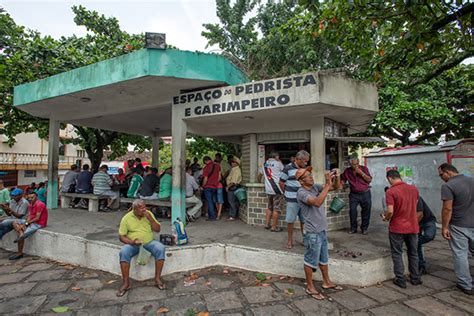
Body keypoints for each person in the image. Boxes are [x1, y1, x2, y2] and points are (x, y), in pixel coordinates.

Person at [296, 166, 342, 300]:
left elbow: (335, 187)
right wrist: (327, 184)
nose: (311, 177)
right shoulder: (301, 193)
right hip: (312, 233)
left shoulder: (315, 187)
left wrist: (336, 177)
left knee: (324, 259)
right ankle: (310, 287)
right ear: (301, 181)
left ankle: (327, 282)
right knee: (310, 260)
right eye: (307, 176)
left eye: (310, 174)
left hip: (321, 229)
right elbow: (317, 202)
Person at [381, 169, 421, 289]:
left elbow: (390, 211)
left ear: (390, 178)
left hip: (397, 227)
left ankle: (400, 279)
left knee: (397, 253)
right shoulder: (414, 189)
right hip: (413, 226)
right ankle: (415, 277)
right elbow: (415, 204)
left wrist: (385, 218)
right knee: (413, 253)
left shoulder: (391, 191)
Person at [117, 199, 166, 297]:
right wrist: (132, 242)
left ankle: (157, 279)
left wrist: (150, 219)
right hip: (133, 244)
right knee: (124, 252)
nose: (144, 210)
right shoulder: (126, 218)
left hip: (149, 242)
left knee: (160, 248)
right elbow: (121, 236)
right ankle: (126, 283)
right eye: (141, 208)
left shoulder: (148, 214)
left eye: (144, 207)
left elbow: (158, 229)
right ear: (134, 209)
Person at [438, 163, 474, 295]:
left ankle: (466, 284)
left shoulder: (448, 186)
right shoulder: (472, 180)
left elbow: (447, 208)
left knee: (460, 254)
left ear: (447, 172)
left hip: (459, 225)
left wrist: (445, 227)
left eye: (441, 175)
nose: (441, 178)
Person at [280, 150, 309, 249]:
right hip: (292, 199)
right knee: (290, 220)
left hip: (303, 200)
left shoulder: (305, 169)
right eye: (305, 161)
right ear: (298, 159)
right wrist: (286, 193)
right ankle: (290, 240)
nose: (306, 163)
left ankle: (305, 239)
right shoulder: (287, 168)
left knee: (304, 221)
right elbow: (281, 182)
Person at [9, 191, 48, 260]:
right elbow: (29, 215)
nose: (30, 199)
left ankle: (19, 253)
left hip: (38, 223)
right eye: (29, 197)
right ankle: (21, 233)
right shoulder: (30, 204)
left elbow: (37, 218)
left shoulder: (40, 204)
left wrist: (26, 224)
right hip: (31, 222)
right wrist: (25, 224)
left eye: (32, 197)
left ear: (36, 197)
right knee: (14, 222)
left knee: (22, 234)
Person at [340, 158, 373, 235]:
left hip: (365, 193)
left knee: (366, 211)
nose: (356, 166)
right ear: (350, 165)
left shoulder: (364, 169)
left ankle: (364, 228)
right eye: (354, 164)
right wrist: (341, 184)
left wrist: (362, 173)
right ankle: (353, 228)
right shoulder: (347, 171)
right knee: (352, 211)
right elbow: (343, 180)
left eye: (357, 163)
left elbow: (369, 180)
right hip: (354, 194)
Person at [0, 189, 29, 260]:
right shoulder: (12, 201)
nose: (13, 197)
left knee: (8, 223)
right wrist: (5, 209)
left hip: (22, 220)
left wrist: (10, 210)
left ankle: (20, 253)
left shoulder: (24, 202)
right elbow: (9, 214)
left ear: (20, 195)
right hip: (12, 219)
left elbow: (19, 216)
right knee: (2, 229)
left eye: (15, 196)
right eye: (13, 196)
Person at [259, 151, 284, 232]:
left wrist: (259, 181)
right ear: (275, 156)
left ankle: (267, 224)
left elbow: (260, 174)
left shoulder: (265, 164)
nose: (279, 158)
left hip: (268, 189)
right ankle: (274, 227)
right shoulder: (278, 163)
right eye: (278, 156)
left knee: (270, 207)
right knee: (276, 208)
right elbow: (284, 173)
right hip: (277, 189)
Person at [416, 196, 437, 275]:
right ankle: (421, 266)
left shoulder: (416, 197)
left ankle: (415, 242)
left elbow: (420, 214)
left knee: (429, 235)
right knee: (416, 245)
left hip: (427, 220)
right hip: (416, 222)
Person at [202, 156, 221, 221]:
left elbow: (205, 179)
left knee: (209, 201)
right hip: (215, 186)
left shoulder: (206, 168)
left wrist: (203, 185)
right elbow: (219, 177)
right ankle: (212, 216)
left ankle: (212, 217)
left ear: (206, 161)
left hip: (208, 186)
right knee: (213, 201)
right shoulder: (218, 165)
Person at [226, 156, 242, 221]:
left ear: (236, 163)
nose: (231, 163)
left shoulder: (237, 170)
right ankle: (232, 214)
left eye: (233, 162)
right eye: (231, 162)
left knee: (231, 201)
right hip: (232, 186)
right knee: (233, 201)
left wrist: (228, 187)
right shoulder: (234, 169)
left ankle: (233, 215)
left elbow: (233, 181)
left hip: (232, 187)